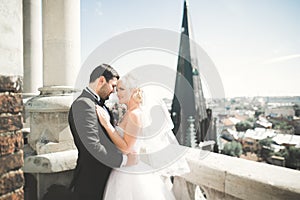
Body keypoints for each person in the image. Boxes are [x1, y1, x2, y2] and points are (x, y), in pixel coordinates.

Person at [96, 74, 189, 200]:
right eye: (117, 90)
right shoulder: (129, 113)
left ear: (133, 91)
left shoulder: (135, 114)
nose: (117, 93)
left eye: (121, 89)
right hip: (123, 170)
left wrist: (107, 125)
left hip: (130, 174)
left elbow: (126, 148)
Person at [68, 64, 137, 200]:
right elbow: (92, 148)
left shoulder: (101, 106)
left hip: (107, 181)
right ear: (101, 81)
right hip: (92, 182)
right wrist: (124, 160)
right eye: (113, 86)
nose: (114, 92)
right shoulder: (83, 105)